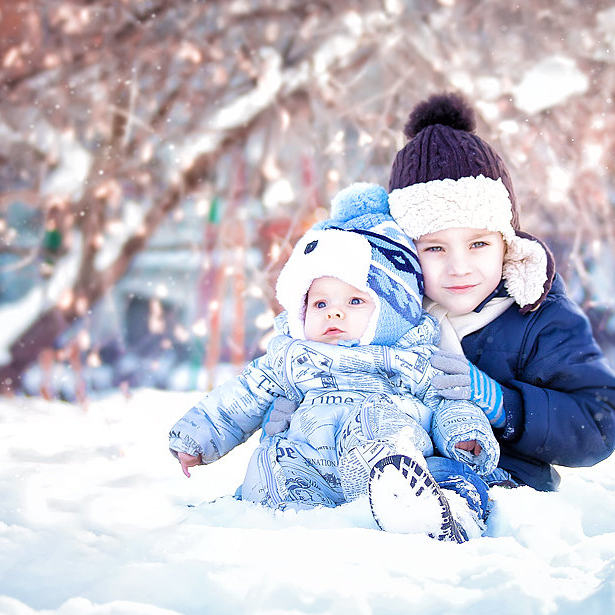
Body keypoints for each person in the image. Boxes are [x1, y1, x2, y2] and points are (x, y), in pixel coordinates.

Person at [168, 183, 499, 541]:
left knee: (375, 423)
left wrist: (466, 436)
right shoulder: (292, 359)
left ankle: (412, 506)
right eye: (320, 304)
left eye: (355, 301)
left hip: (386, 465)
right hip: (309, 471)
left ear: (391, 309)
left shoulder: (414, 359)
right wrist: (197, 437)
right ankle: (274, 514)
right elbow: (242, 396)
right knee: (275, 463)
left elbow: (448, 403)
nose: (334, 313)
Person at [377, 92, 615, 535]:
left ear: (507, 242)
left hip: (507, 499)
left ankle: (450, 513)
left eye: (478, 244)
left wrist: (504, 405)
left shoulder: (536, 315)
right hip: (390, 490)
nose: (459, 266)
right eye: (434, 248)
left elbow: (601, 420)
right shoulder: (385, 312)